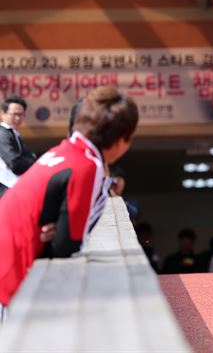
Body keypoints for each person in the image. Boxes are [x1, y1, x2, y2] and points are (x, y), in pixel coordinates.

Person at [0, 86, 138, 306]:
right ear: (122, 140)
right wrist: (56, 231)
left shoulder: (62, 150)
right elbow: (66, 245)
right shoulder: (88, 166)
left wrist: (55, 227)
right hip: (10, 277)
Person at [0, 96, 37, 198]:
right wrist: (28, 160)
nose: (18, 118)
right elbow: (16, 164)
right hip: (4, 188)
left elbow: (31, 157)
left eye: (21, 115)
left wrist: (28, 159)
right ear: (3, 114)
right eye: (14, 114)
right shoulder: (2, 133)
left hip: (11, 188)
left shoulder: (14, 134)